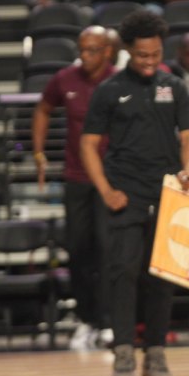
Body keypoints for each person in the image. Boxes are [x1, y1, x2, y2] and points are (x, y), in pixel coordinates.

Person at [80, 10, 189, 376]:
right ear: (128, 51)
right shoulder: (109, 90)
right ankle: (124, 353)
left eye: (155, 54)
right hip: (124, 194)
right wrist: (105, 189)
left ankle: (156, 353)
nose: (150, 62)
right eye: (142, 55)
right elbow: (87, 145)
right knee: (123, 273)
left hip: (168, 193)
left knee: (163, 276)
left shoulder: (174, 86)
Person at [32, 26, 115, 350]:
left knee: (109, 250)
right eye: (82, 49)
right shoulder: (64, 79)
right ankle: (86, 319)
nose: (85, 55)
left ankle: (108, 321)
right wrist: (39, 153)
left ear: (107, 51)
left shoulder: (119, 80)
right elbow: (42, 108)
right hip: (76, 178)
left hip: (110, 180)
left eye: (93, 49)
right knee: (79, 251)